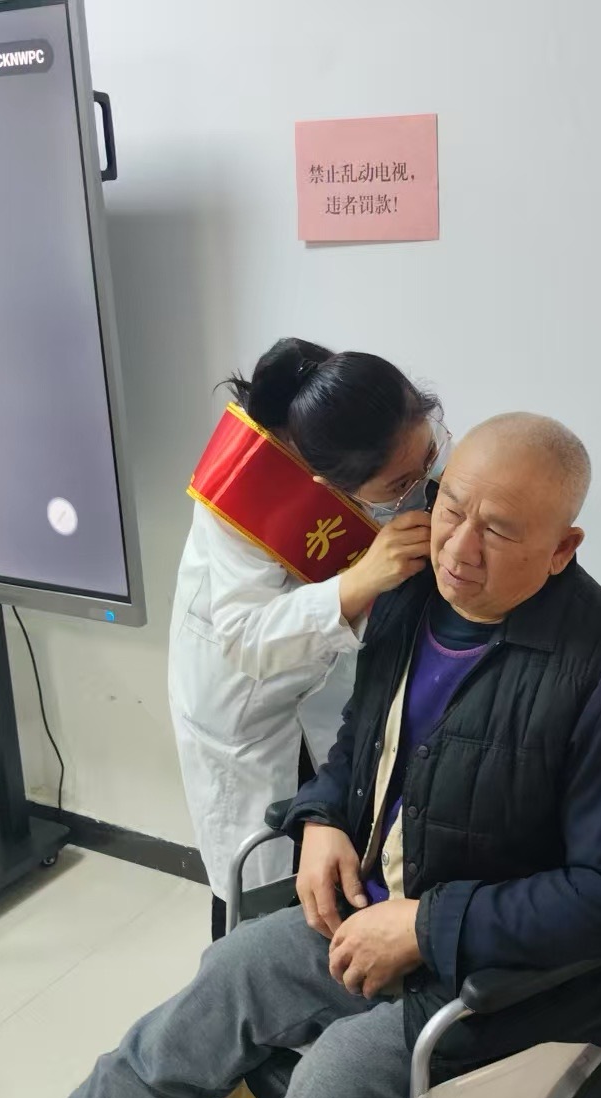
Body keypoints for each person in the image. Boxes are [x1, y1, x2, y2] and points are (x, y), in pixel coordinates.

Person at [63, 413, 601, 1098]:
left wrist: (423, 927)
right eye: (451, 510)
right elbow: (363, 743)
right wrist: (323, 817)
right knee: (220, 986)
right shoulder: (411, 595)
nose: (460, 549)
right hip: (375, 911)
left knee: (338, 1075)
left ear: (562, 548)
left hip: (508, 976)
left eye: (499, 532)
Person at [168, 338, 449, 940]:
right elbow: (246, 638)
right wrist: (360, 581)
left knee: (337, 861)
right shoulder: (247, 489)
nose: (422, 484)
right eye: (401, 482)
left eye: (429, 454)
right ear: (331, 484)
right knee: (259, 898)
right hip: (248, 703)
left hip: (334, 695)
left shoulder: (375, 420)